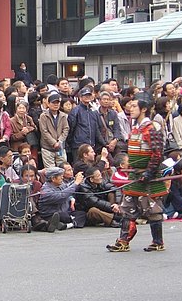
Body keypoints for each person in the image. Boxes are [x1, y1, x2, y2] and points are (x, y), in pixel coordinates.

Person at [107, 94, 169, 252]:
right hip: (135, 175)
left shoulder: (152, 128)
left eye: (134, 106)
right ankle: (123, 241)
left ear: (144, 109)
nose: (130, 108)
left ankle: (158, 241)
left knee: (152, 209)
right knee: (127, 208)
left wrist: (148, 172)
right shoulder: (135, 128)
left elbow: (157, 154)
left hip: (149, 177)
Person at [38, 167, 85, 231]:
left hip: (64, 211)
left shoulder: (61, 184)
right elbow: (62, 196)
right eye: (60, 176)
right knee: (62, 215)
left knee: (81, 213)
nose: (62, 178)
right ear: (53, 178)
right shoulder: (46, 190)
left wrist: (76, 180)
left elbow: (68, 187)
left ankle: (67, 225)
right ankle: (69, 223)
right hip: (51, 214)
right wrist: (76, 183)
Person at [67, 86, 106, 162]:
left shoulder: (93, 112)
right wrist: (71, 142)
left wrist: (104, 143)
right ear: (80, 97)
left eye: (89, 95)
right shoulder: (76, 110)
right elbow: (71, 128)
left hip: (91, 145)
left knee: (90, 167)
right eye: (85, 95)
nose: (87, 97)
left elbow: (96, 129)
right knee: (79, 166)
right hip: (78, 145)